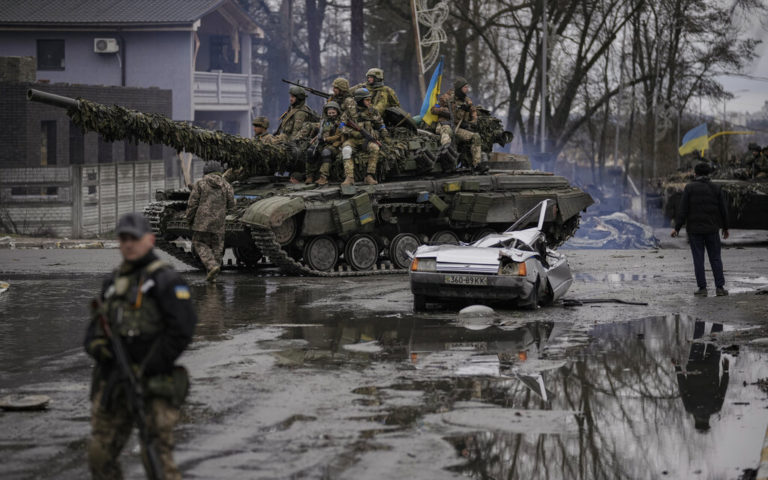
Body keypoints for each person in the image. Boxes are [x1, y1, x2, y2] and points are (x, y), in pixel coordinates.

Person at [84, 212, 198, 480]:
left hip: (154, 382)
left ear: (150, 240)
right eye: (123, 239)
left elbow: (182, 330)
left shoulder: (166, 280)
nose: (128, 244)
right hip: (115, 380)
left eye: (134, 238)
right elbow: (94, 330)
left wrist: (150, 365)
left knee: (157, 459)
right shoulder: (113, 282)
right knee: (99, 455)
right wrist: (102, 350)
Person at [671, 162, 729, 296]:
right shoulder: (716, 188)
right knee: (715, 258)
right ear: (709, 174)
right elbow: (723, 210)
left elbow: (683, 210)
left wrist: (677, 228)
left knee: (698, 259)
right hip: (712, 229)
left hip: (695, 230)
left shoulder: (689, 188)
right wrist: (725, 227)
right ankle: (720, 288)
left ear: (695, 174)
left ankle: (702, 289)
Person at [186, 161, 235, 282]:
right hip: (219, 222)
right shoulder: (226, 185)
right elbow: (231, 205)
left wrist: (189, 218)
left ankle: (211, 266)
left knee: (199, 243)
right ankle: (214, 274)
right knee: (217, 247)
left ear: (205, 171)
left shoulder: (200, 184)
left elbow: (192, 204)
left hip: (202, 222)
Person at [431, 77, 484, 170]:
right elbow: (434, 109)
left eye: (467, 87)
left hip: (457, 127)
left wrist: (471, 122)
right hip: (444, 125)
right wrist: (445, 110)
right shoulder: (446, 98)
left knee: (476, 137)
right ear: (459, 88)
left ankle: (477, 164)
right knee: (448, 132)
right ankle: (445, 156)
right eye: (465, 87)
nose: (467, 89)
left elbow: (474, 112)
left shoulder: (467, 101)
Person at [340, 88, 389, 186]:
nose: (369, 102)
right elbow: (341, 126)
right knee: (346, 150)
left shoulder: (373, 111)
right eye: (367, 100)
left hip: (367, 139)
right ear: (359, 100)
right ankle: (349, 177)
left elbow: (380, 124)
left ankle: (369, 176)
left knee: (375, 148)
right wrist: (353, 132)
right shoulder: (350, 111)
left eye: (370, 99)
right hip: (353, 140)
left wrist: (384, 134)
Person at [306, 101, 343, 186]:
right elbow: (320, 133)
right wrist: (315, 136)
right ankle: (310, 175)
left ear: (337, 112)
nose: (331, 115)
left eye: (333, 113)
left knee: (326, 152)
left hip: (335, 146)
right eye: (329, 113)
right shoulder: (324, 122)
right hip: (322, 143)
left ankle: (323, 176)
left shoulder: (340, 123)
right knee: (310, 151)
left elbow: (339, 136)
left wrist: (326, 139)